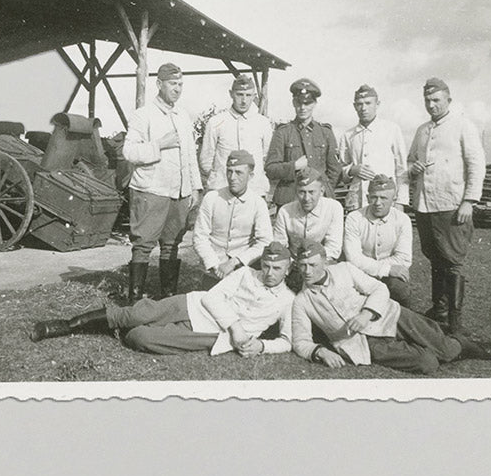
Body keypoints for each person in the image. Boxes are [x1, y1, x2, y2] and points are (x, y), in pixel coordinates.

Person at [29, 242, 295, 358]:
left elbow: (287, 342)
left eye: (277, 268)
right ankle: (67, 325)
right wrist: (237, 327)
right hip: (196, 305)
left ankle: (117, 331)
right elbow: (213, 297)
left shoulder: (288, 301)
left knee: (140, 338)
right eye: (267, 266)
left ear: (288, 269)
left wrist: (261, 347)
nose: (269, 273)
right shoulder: (247, 273)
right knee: (139, 313)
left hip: (214, 335)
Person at [289, 242, 491, 374]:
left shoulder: (345, 270)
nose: (307, 271)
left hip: (388, 316)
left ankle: (468, 346)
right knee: (428, 363)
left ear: (325, 262)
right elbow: (300, 341)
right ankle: (435, 343)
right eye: (303, 266)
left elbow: (379, 289)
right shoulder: (302, 301)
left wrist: (366, 314)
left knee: (446, 350)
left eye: (313, 265)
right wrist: (320, 351)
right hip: (363, 343)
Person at [406, 77, 486, 333]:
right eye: (428, 100)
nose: (432, 105)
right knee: (434, 259)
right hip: (425, 206)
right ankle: (438, 310)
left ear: (448, 100)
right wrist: (413, 168)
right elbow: (409, 161)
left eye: (436, 100)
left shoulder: (463, 126)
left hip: (451, 205)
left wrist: (469, 201)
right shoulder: (422, 130)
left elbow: (476, 165)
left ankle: (455, 319)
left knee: (453, 261)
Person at [121, 63, 203, 301]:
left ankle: (168, 298)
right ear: (159, 84)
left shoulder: (183, 116)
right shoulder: (143, 115)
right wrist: (160, 144)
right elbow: (129, 152)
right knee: (143, 244)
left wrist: (194, 187)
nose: (177, 89)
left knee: (172, 244)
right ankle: (134, 301)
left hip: (179, 192)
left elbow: (190, 156)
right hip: (151, 190)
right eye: (172, 84)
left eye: (180, 85)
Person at [193, 149, 273, 289]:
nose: (232, 177)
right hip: (213, 269)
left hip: (243, 268)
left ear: (251, 175)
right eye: (229, 171)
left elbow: (265, 241)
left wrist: (236, 261)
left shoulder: (257, 203)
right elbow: (200, 237)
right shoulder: (211, 198)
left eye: (239, 173)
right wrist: (214, 264)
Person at [265, 78, 341, 207]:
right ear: (293, 102)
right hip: (290, 200)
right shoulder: (283, 132)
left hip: (320, 201)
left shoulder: (325, 132)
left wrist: (322, 190)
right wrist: (293, 166)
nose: (302, 108)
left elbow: (335, 170)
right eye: (299, 103)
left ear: (314, 103)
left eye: (307, 103)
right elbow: (271, 169)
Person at [342, 174, 413, 307]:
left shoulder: (402, 220)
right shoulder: (354, 218)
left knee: (400, 289)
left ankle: (402, 322)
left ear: (394, 200)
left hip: (387, 276)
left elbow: (404, 259)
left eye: (384, 198)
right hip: (360, 273)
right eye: (374, 197)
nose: (378, 203)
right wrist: (385, 269)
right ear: (367, 197)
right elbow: (353, 258)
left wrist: (378, 269)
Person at [199, 74, 273, 198]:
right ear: (231, 94)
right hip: (222, 191)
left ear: (254, 96)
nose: (244, 100)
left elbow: (267, 158)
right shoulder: (216, 122)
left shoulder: (263, 123)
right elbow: (206, 159)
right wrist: (219, 179)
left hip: (254, 191)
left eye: (248, 95)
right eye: (239, 94)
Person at [338, 84, 409, 212]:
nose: (363, 108)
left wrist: (401, 202)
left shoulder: (391, 129)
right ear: (354, 106)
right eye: (359, 104)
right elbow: (341, 170)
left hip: (385, 202)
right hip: (357, 202)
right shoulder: (348, 135)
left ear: (377, 104)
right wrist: (352, 170)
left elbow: (402, 170)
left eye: (368, 103)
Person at [272, 167, 343, 290]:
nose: (306, 198)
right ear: (296, 191)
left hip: (323, 264)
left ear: (321, 191)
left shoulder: (334, 208)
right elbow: (280, 246)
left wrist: (312, 266)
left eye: (311, 192)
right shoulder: (285, 211)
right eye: (302, 192)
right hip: (293, 266)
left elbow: (333, 248)